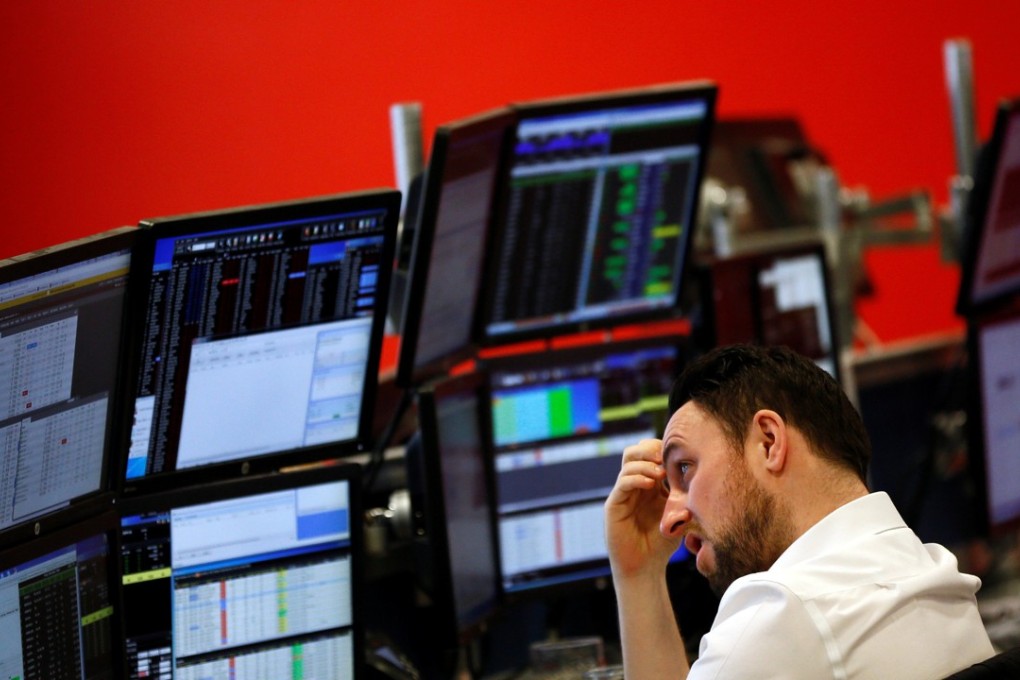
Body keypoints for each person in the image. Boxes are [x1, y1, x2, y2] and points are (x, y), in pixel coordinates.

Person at [605, 344, 995, 679]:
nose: (669, 520)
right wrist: (640, 573)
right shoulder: (933, 572)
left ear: (768, 442)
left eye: (685, 468)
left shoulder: (779, 616)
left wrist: (634, 578)